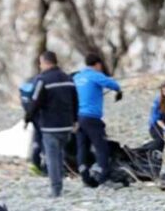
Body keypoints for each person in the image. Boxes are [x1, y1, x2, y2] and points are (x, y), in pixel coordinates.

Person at [25, 51, 79, 197]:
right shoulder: (67, 78)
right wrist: (75, 120)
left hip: (50, 125)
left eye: (40, 63)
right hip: (67, 125)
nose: (40, 66)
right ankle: (60, 183)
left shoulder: (43, 80)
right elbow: (75, 100)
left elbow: (35, 101)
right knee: (60, 155)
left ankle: (56, 189)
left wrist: (28, 118)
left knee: (52, 157)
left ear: (45, 62)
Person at [73, 53, 123, 185]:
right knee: (102, 147)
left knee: (82, 147)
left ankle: (85, 177)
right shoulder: (95, 75)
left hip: (79, 117)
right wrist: (119, 91)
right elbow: (114, 85)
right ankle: (104, 178)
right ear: (98, 64)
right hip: (92, 118)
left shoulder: (78, 76)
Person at [19, 75, 44, 176]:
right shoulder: (41, 81)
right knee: (44, 139)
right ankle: (46, 166)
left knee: (36, 138)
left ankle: (35, 164)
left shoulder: (28, 81)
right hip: (41, 115)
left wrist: (27, 118)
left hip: (31, 114)